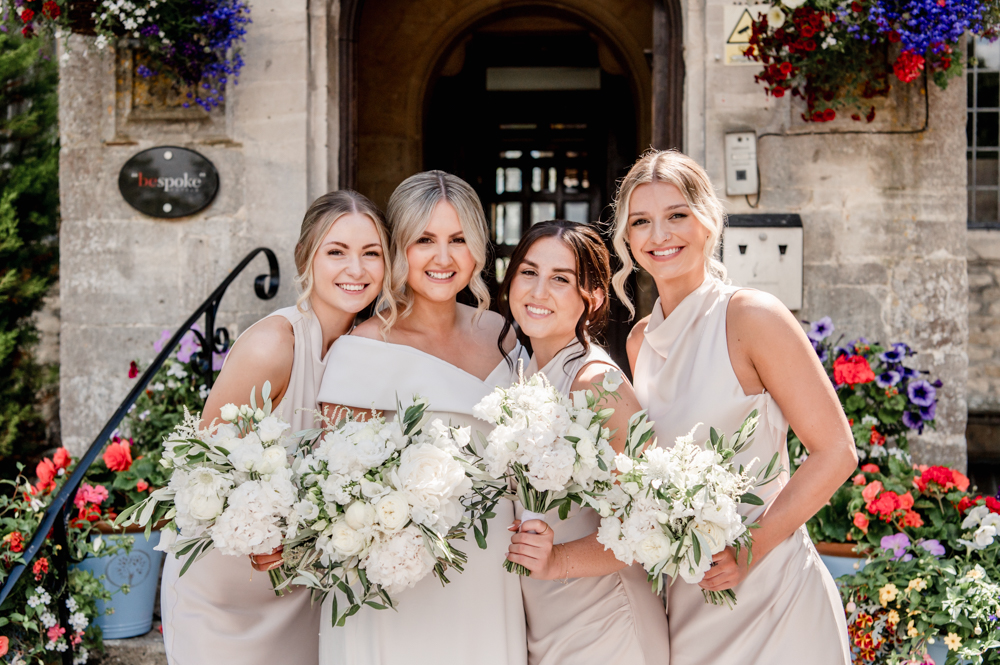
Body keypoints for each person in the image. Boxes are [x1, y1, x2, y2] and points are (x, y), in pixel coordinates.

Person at [612, 149, 855, 665]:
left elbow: (836, 452)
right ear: (628, 240)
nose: (660, 235)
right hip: (688, 592)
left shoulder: (750, 316)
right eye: (641, 222)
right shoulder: (638, 342)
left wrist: (749, 550)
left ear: (708, 223)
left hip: (770, 592)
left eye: (676, 215)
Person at [161, 190, 393, 665]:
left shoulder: (367, 351)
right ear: (305, 258)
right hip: (225, 594)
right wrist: (263, 533)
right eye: (337, 252)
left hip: (301, 590)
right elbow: (198, 468)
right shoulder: (274, 344)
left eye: (372, 253)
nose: (357, 269)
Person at [315, 171, 528, 665]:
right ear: (398, 250)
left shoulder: (501, 332)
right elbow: (337, 490)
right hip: (400, 581)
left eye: (459, 240)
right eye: (425, 240)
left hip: (491, 564)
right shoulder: (361, 350)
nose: (444, 258)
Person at [500, 220, 671, 665]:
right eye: (528, 272)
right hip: (544, 619)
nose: (539, 291)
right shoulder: (520, 369)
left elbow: (653, 519)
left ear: (591, 298)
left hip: (605, 624)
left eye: (561, 279)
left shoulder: (595, 384)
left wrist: (555, 561)